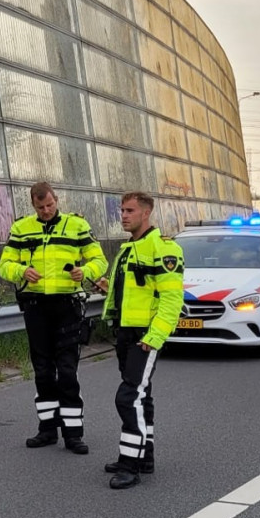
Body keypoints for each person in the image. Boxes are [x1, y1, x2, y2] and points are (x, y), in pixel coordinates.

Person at [0, 182, 108, 454]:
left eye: (50, 205)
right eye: (40, 207)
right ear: (33, 205)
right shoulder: (21, 228)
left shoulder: (77, 226)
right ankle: (47, 429)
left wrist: (86, 271)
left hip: (67, 306)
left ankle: (73, 434)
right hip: (36, 307)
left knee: (67, 371)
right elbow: (4, 265)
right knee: (43, 371)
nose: (46, 211)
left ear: (57, 200)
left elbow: (100, 260)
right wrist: (21, 271)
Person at [97, 192, 184, 489]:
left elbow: (172, 300)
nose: (123, 215)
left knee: (128, 396)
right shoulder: (128, 250)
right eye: (122, 210)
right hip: (125, 331)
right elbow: (132, 291)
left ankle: (129, 464)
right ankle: (144, 456)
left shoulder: (163, 248)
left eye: (130, 210)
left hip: (144, 335)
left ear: (146, 213)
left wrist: (154, 337)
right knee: (141, 397)